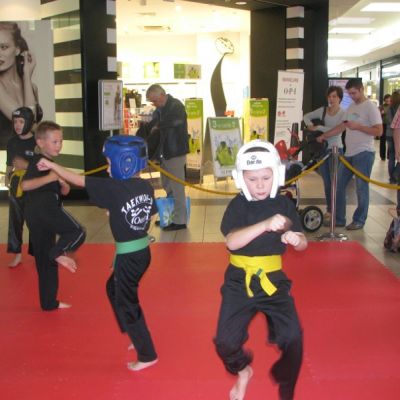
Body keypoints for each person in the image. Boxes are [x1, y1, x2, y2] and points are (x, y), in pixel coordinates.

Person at [36, 135, 158, 371]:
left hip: (130, 257)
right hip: (141, 253)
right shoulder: (145, 186)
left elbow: (78, 180)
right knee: (112, 288)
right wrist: (119, 215)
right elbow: (149, 213)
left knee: (127, 302)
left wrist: (52, 165)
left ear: (125, 163)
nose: (108, 169)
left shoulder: (114, 188)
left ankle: (147, 354)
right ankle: (133, 332)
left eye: (110, 164)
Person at [214, 140, 307, 400]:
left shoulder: (284, 205)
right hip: (238, 281)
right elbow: (231, 242)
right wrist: (265, 224)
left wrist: (297, 239)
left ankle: (286, 388)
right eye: (252, 179)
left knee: (293, 338)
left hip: (273, 280)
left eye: (266, 178)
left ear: (276, 175)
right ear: (241, 179)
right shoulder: (238, 205)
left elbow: (303, 243)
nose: (260, 185)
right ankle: (243, 370)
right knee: (225, 342)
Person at [21, 121, 86, 311]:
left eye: (61, 141)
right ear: (41, 142)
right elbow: (25, 185)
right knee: (78, 231)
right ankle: (57, 253)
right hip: (44, 208)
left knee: (44, 260)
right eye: (55, 142)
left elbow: (63, 192)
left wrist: (63, 184)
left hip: (34, 213)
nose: (59, 145)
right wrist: (51, 177)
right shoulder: (39, 162)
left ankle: (49, 302)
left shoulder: (50, 164)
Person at [317, 78, 383, 230]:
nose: (352, 96)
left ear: (361, 90)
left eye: (354, 93)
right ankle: (339, 219)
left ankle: (359, 220)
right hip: (349, 154)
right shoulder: (352, 107)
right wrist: (325, 136)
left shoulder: (370, 107)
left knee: (361, 188)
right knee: (338, 185)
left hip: (364, 153)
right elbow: (343, 126)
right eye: (349, 94)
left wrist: (359, 127)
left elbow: (379, 131)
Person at [144, 84, 189, 231]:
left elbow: (177, 121)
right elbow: (151, 127)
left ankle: (180, 220)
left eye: (155, 100)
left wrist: (158, 126)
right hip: (164, 154)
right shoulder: (159, 110)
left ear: (162, 95)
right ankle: (169, 216)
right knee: (167, 186)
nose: (154, 104)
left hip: (175, 153)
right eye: (152, 101)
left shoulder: (176, 105)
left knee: (177, 188)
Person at [303, 86, 346, 225]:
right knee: (327, 183)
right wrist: (310, 125)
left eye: (334, 96)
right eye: (329, 96)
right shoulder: (323, 110)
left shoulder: (344, 113)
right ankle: (330, 210)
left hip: (336, 150)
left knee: (335, 184)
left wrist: (320, 128)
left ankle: (338, 214)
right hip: (322, 150)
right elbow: (306, 116)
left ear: (340, 98)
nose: (331, 99)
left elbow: (338, 130)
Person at [0, 22, 41, 149]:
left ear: (17, 49)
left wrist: (26, 77)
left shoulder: (32, 87)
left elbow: (32, 124)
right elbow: (26, 122)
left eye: (3, 47)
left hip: (27, 156)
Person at [5, 107, 36, 267]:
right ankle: (17, 254)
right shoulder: (12, 142)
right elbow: (10, 163)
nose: (17, 125)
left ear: (29, 122)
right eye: (15, 121)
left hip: (34, 186)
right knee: (15, 221)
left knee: (35, 221)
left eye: (21, 121)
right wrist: (7, 176)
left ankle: (37, 253)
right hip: (16, 185)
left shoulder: (37, 141)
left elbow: (44, 165)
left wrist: (27, 166)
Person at [386, 91, 400, 183]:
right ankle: (395, 175)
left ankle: (392, 178)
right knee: (398, 155)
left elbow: (390, 121)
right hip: (397, 135)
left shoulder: (389, 108)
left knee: (391, 157)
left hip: (389, 134)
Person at [379, 94, 391, 161]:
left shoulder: (393, 106)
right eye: (386, 99)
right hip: (383, 125)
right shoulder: (381, 106)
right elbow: (378, 115)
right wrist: (381, 113)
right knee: (382, 141)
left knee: (390, 141)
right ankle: (382, 156)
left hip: (390, 125)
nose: (387, 100)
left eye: (388, 99)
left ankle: (389, 156)